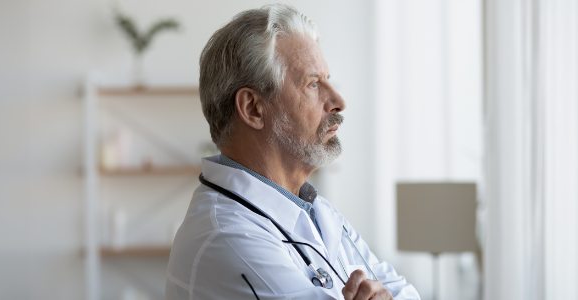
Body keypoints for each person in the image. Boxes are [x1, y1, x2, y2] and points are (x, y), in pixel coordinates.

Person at [166, 4, 420, 300]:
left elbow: (404, 291)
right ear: (253, 109)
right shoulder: (231, 238)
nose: (338, 101)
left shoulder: (319, 213)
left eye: (328, 80)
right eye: (313, 84)